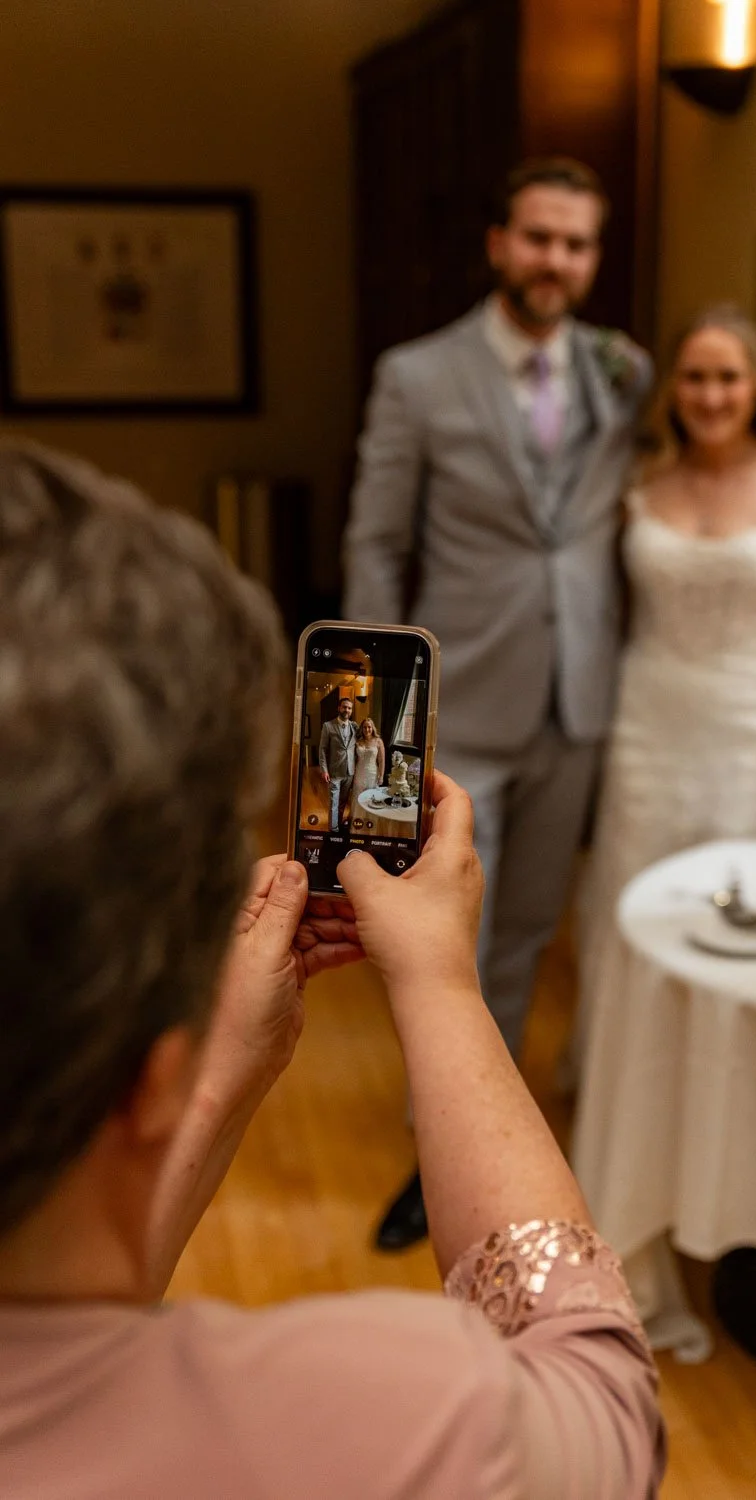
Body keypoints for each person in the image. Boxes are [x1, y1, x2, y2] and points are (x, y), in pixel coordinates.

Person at [0, 442, 665, 1499]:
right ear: (150, 1067)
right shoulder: (399, 1422)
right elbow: (603, 1405)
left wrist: (219, 1070)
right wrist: (440, 985)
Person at [343, 156, 653, 1251]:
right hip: (460, 702)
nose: (554, 260)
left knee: (526, 930)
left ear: (592, 257)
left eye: (576, 243)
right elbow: (378, 542)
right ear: (498, 243)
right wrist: (375, 716)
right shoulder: (417, 376)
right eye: (537, 237)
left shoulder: (623, 372)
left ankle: (495, 1138)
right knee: (446, 944)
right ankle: (438, 1158)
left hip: (580, 700)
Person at [571, 304, 756, 1335]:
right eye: (693, 377)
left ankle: (741, 1160)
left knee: (740, 937)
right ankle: (637, 1142)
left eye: (727, 377)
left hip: (750, 731)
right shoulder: (637, 481)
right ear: (672, 391)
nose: (710, 396)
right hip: (647, 725)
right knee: (634, 932)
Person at [318, 696, 358, 829]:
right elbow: (322, 749)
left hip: (349, 771)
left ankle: (338, 824)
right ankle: (333, 830)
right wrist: (324, 770)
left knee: (343, 802)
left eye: (349, 708)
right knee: (334, 802)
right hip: (334, 772)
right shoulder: (328, 726)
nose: (347, 710)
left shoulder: (354, 727)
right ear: (339, 708)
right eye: (344, 707)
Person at [352, 715, 386, 800]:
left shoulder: (378, 741)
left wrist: (381, 776)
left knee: (370, 797)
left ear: (372, 728)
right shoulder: (358, 741)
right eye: (364, 727)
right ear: (362, 729)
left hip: (372, 774)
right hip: (359, 773)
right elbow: (354, 759)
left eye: (369, 727)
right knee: (358, 795)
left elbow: (381, 760)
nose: (367, 729)